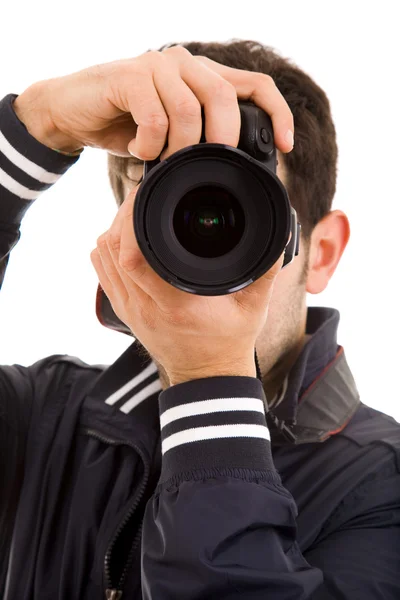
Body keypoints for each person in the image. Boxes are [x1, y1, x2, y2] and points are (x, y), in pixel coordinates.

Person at [0, 39, 399, 600]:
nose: (205, 238)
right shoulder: (44, 416)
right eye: (168, 199)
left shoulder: (383, 488)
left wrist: (208, 381)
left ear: (323, 252)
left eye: (246, 210)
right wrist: (32, 129)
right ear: (120, 235)